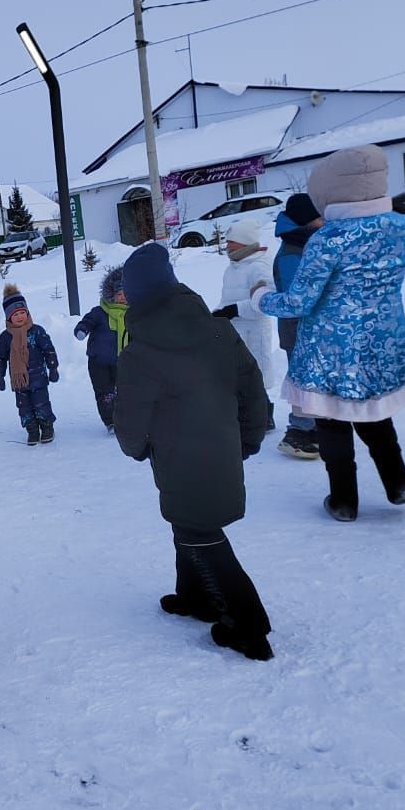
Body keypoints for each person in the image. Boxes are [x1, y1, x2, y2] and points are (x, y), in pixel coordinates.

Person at [113, 244, 274, 661]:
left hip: (178, 457)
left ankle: (249, 627)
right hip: (222, 447)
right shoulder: (218, 330)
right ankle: (197, 598)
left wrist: (136, 448)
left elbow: (129, 421)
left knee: (199, 533)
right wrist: (249, 437)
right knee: (186, 523)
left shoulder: (140, 353)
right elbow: (251, 386)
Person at [252, 145, 405, 522]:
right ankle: (399, 484)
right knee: (375, 415)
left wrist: (261, 297)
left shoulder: (329, 240)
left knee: (331, 424)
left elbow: (299, 301)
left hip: (331, 350)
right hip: (384, 341)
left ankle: (344, 501)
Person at [269, 194, 323, 459]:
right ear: (306, 219)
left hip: (313, 329)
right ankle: (300, 433)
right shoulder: (292, 252)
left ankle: (314, 428)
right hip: (299, 329)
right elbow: (296, 300)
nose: (323, 220)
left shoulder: (306, 244)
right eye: (318, 216)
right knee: (304, 382)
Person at [212, 219, 276, 432]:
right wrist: (217, 313)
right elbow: (227, 299)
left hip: (255, 332)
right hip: (236, 331)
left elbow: (266, 301)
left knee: (255, 375)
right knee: (239, 376)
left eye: (231, 242)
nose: (227, 246)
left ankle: (266, 416)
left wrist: (235, 310)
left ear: (244, 243)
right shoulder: (232, 268)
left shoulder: (259, 267)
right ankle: (246, 416)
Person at [0, 284, 60, 445]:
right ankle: (31, 430)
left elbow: (48, 349)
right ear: (9, 317)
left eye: (23, 312)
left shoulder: (37, 331)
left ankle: (46, 428)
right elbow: (0, 357)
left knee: (41, 404)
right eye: (15, 314)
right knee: (24, 408)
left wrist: (53, 368)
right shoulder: (5, 337)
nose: (20, 317)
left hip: (38, 379)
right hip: (19, 382)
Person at [73, 266, 128, 431]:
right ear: (111, 295)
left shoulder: (134, 313)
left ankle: (126, 417)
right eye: (119, 294)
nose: (123, 298)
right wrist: (82, 329)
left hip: (124, 360)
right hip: (99, 361)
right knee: (104, 392)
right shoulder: (100, 312)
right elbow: (88, 321)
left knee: (124, 391)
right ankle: (110, 420)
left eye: (126, 294)